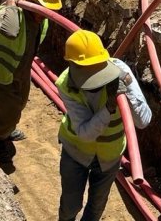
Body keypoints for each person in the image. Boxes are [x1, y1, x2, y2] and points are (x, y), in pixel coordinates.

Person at [56, 30, 150, 221]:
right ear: (72, 65)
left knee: (96, 207)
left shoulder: (120, 70)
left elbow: (143, 120)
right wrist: (109, 107)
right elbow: (85, 133)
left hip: (109, 156)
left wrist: (128, 91)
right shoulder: (66, 84)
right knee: (70, 206)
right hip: (76, 152)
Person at [0, 0, 63, 166]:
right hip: (1, 70)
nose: (46, 14)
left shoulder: (40, 19)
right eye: (43, 8)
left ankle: (6, 128)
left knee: (19, 103)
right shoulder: (11, 14)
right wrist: (12, 2)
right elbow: (10, 31)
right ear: (32, 0)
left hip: (20, 68)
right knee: (9, 110)